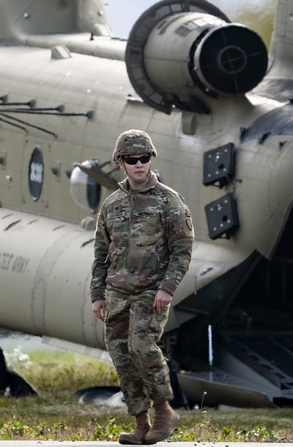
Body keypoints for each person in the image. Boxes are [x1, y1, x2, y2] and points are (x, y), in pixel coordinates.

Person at [90, 130, 194, 445]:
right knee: (121, 355)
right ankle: (141, 423)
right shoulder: (112, 205)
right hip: (118, 293)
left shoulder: (168, 201)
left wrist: (167, 288)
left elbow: (183, 249)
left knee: (141, 347)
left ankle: (164, 412)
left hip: (151, 292)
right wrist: (97, 295)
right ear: (121, 163)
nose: (139, 164)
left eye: (144, 158)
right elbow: (101, 255)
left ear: (150, 160)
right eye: (132, 159)